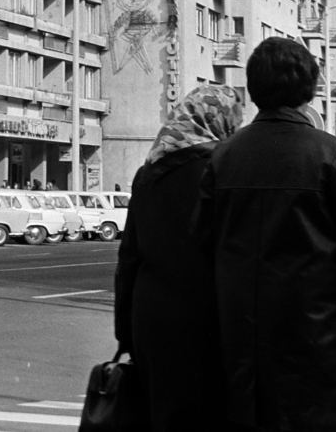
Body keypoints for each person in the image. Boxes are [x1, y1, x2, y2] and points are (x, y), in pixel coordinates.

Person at [197, 37, 336, 432]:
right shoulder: (329, 154)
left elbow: (200, 247)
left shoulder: (223, 157)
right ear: (308, 88)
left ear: (254, 88)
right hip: (310, 334)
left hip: (239, 334)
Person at [113, 83, 243, 432]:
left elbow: (129, 260)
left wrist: (124, 331)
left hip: (151, 322)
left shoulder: (148, 173)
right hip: (203, 320)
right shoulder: (221, 170)